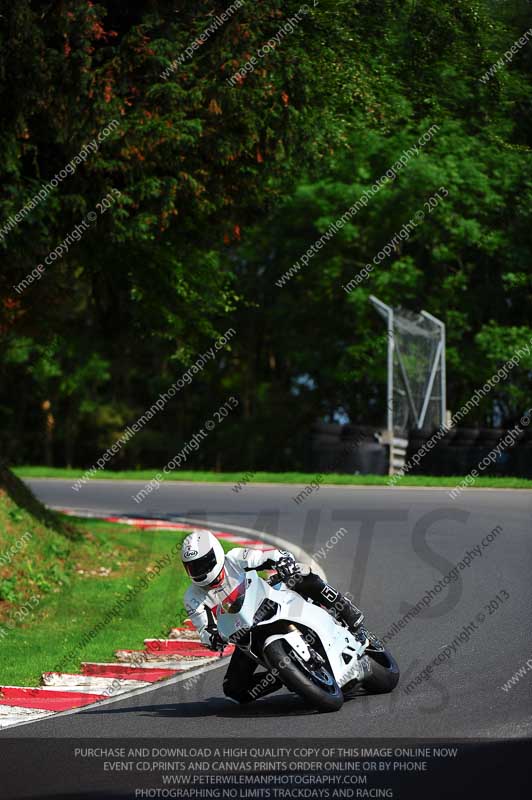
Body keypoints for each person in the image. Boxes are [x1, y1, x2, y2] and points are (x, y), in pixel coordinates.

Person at [182, 530, 365, 704]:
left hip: (270, 601)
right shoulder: (192, 597)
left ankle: (346, 609)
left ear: (217, 554)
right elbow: (203, 627)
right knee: (233, 689)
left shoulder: (234, 558)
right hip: (246, 634)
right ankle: (285, 676)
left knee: (300, 573)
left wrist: (282, 560)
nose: (199, 570)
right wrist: (212, 639)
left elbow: (266, 556)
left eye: (203, 563)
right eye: (193, 567)